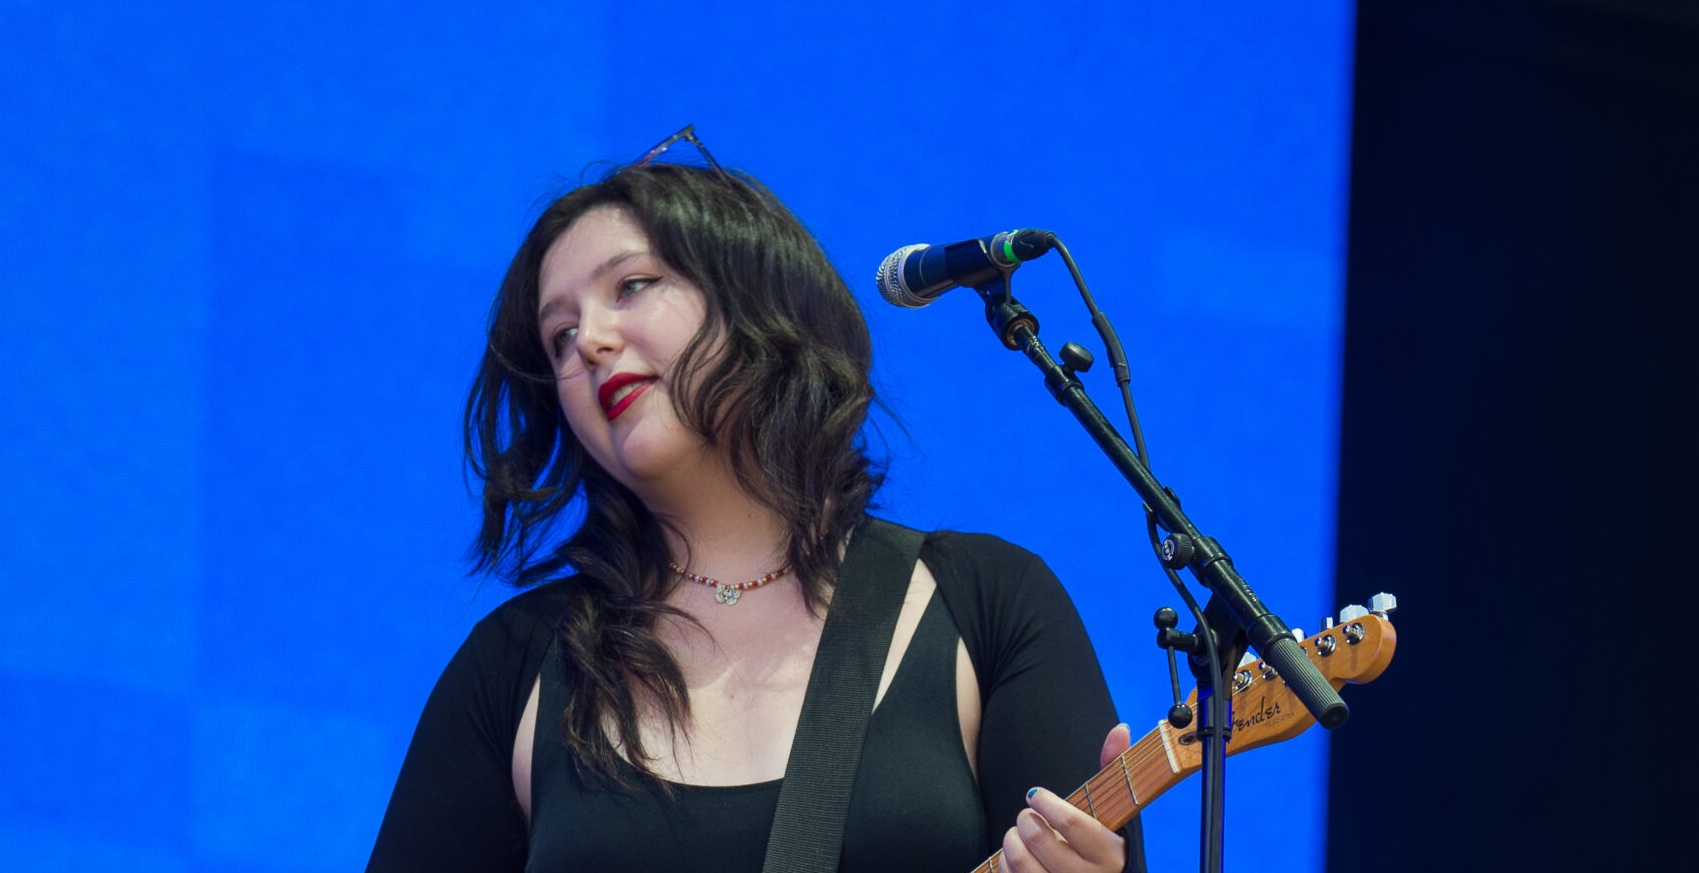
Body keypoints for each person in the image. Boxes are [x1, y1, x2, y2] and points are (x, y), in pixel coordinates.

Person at [368, 128, 1146, 873]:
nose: (591, 341)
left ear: (755, 296)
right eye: (559, 336)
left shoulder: (987, 603)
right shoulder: (513, 665)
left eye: (631, 286)